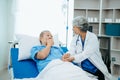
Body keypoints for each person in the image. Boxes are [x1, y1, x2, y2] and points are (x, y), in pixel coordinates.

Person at [30, 30, 94, 80]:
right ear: (41, 38)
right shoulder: (36, 48)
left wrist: (66, 58)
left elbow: (65, 59)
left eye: (51, 36)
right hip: (51, 68)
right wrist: (49, 45)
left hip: (65, 66)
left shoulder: (57, 48)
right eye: (48, 35)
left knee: (80, 74)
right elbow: (42, 56)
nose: (50, 37)